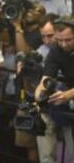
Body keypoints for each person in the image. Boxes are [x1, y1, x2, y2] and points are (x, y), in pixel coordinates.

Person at [35, 16, 74, 163]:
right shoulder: (56, 49)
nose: (63, 44)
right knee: (44, 114)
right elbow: (47, 77)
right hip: (67, 95)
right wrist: (39, 94)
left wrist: (68, 95)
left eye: (68, 40)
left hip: (70, 95)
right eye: (60, 40)